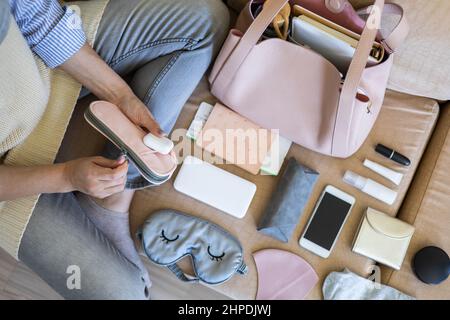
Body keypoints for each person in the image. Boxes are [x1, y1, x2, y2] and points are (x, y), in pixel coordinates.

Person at [0, 0, 229, 299]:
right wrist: (67, 177)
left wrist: (121, 96)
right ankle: (102, 193)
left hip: (40, 66)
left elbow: (31, 13)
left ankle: (112, 201)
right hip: (13, 174)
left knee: (206, 20)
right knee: (126, 295)